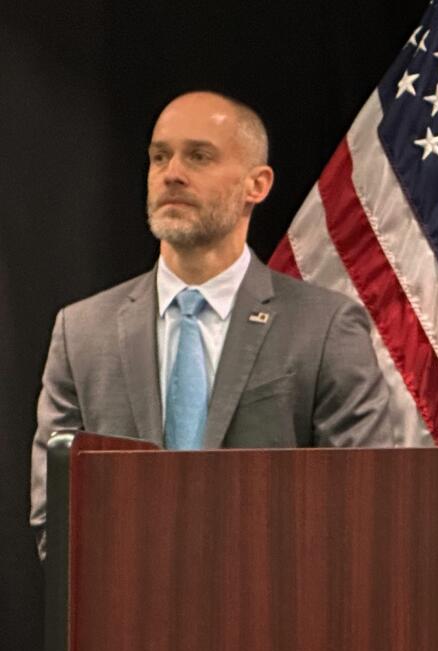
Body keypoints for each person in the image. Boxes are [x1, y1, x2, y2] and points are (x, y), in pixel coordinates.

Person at [30, 91, 394, 557]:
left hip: (278, 598)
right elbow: (56, 516)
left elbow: (363, 503)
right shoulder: (82, 332)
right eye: (159, 157)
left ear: (256, 185)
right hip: (124, 599)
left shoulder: (324, 328)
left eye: (199, 157)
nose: (172, 173)